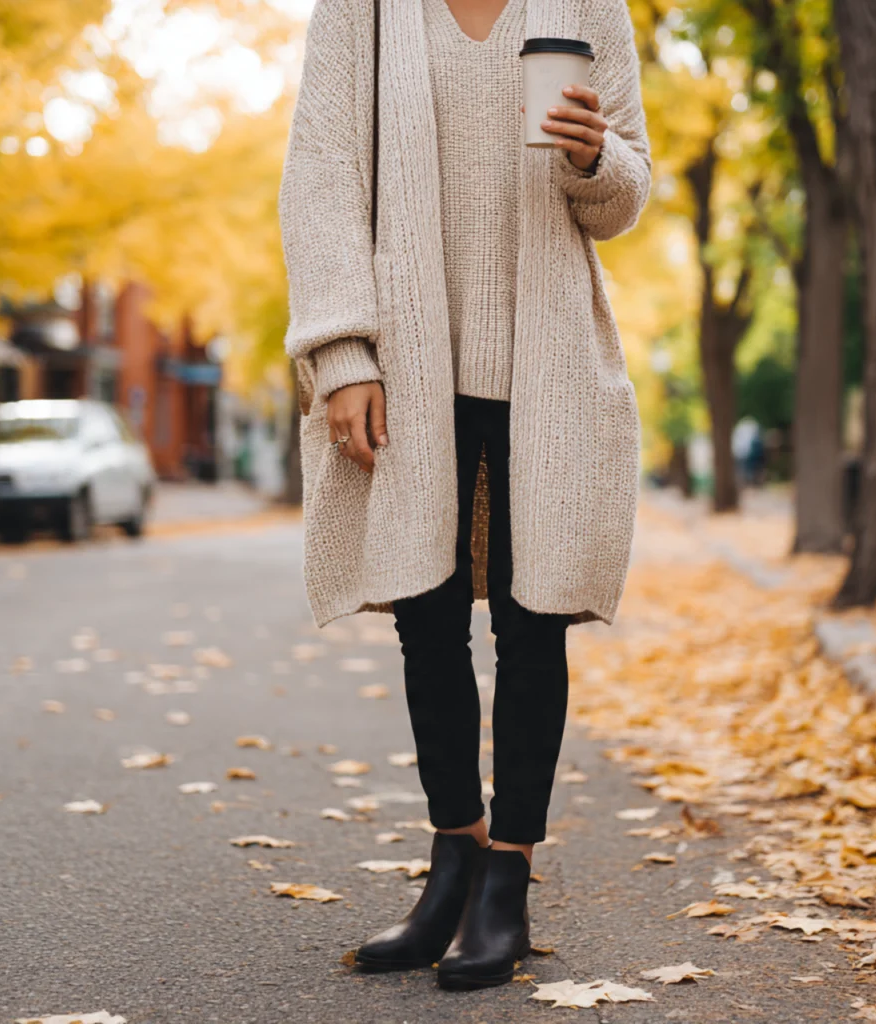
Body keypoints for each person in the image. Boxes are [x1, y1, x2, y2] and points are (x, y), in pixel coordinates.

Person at [280, 0, 650, 992]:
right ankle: (456, 851)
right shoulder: (362, 9)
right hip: (406, 358)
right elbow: (320, 176)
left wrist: (593, 158)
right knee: (427, 613)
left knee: (535, 620)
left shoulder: (587, 5)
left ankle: (507, 877)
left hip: (546, 358)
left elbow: (622, 200)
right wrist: (342, 351)